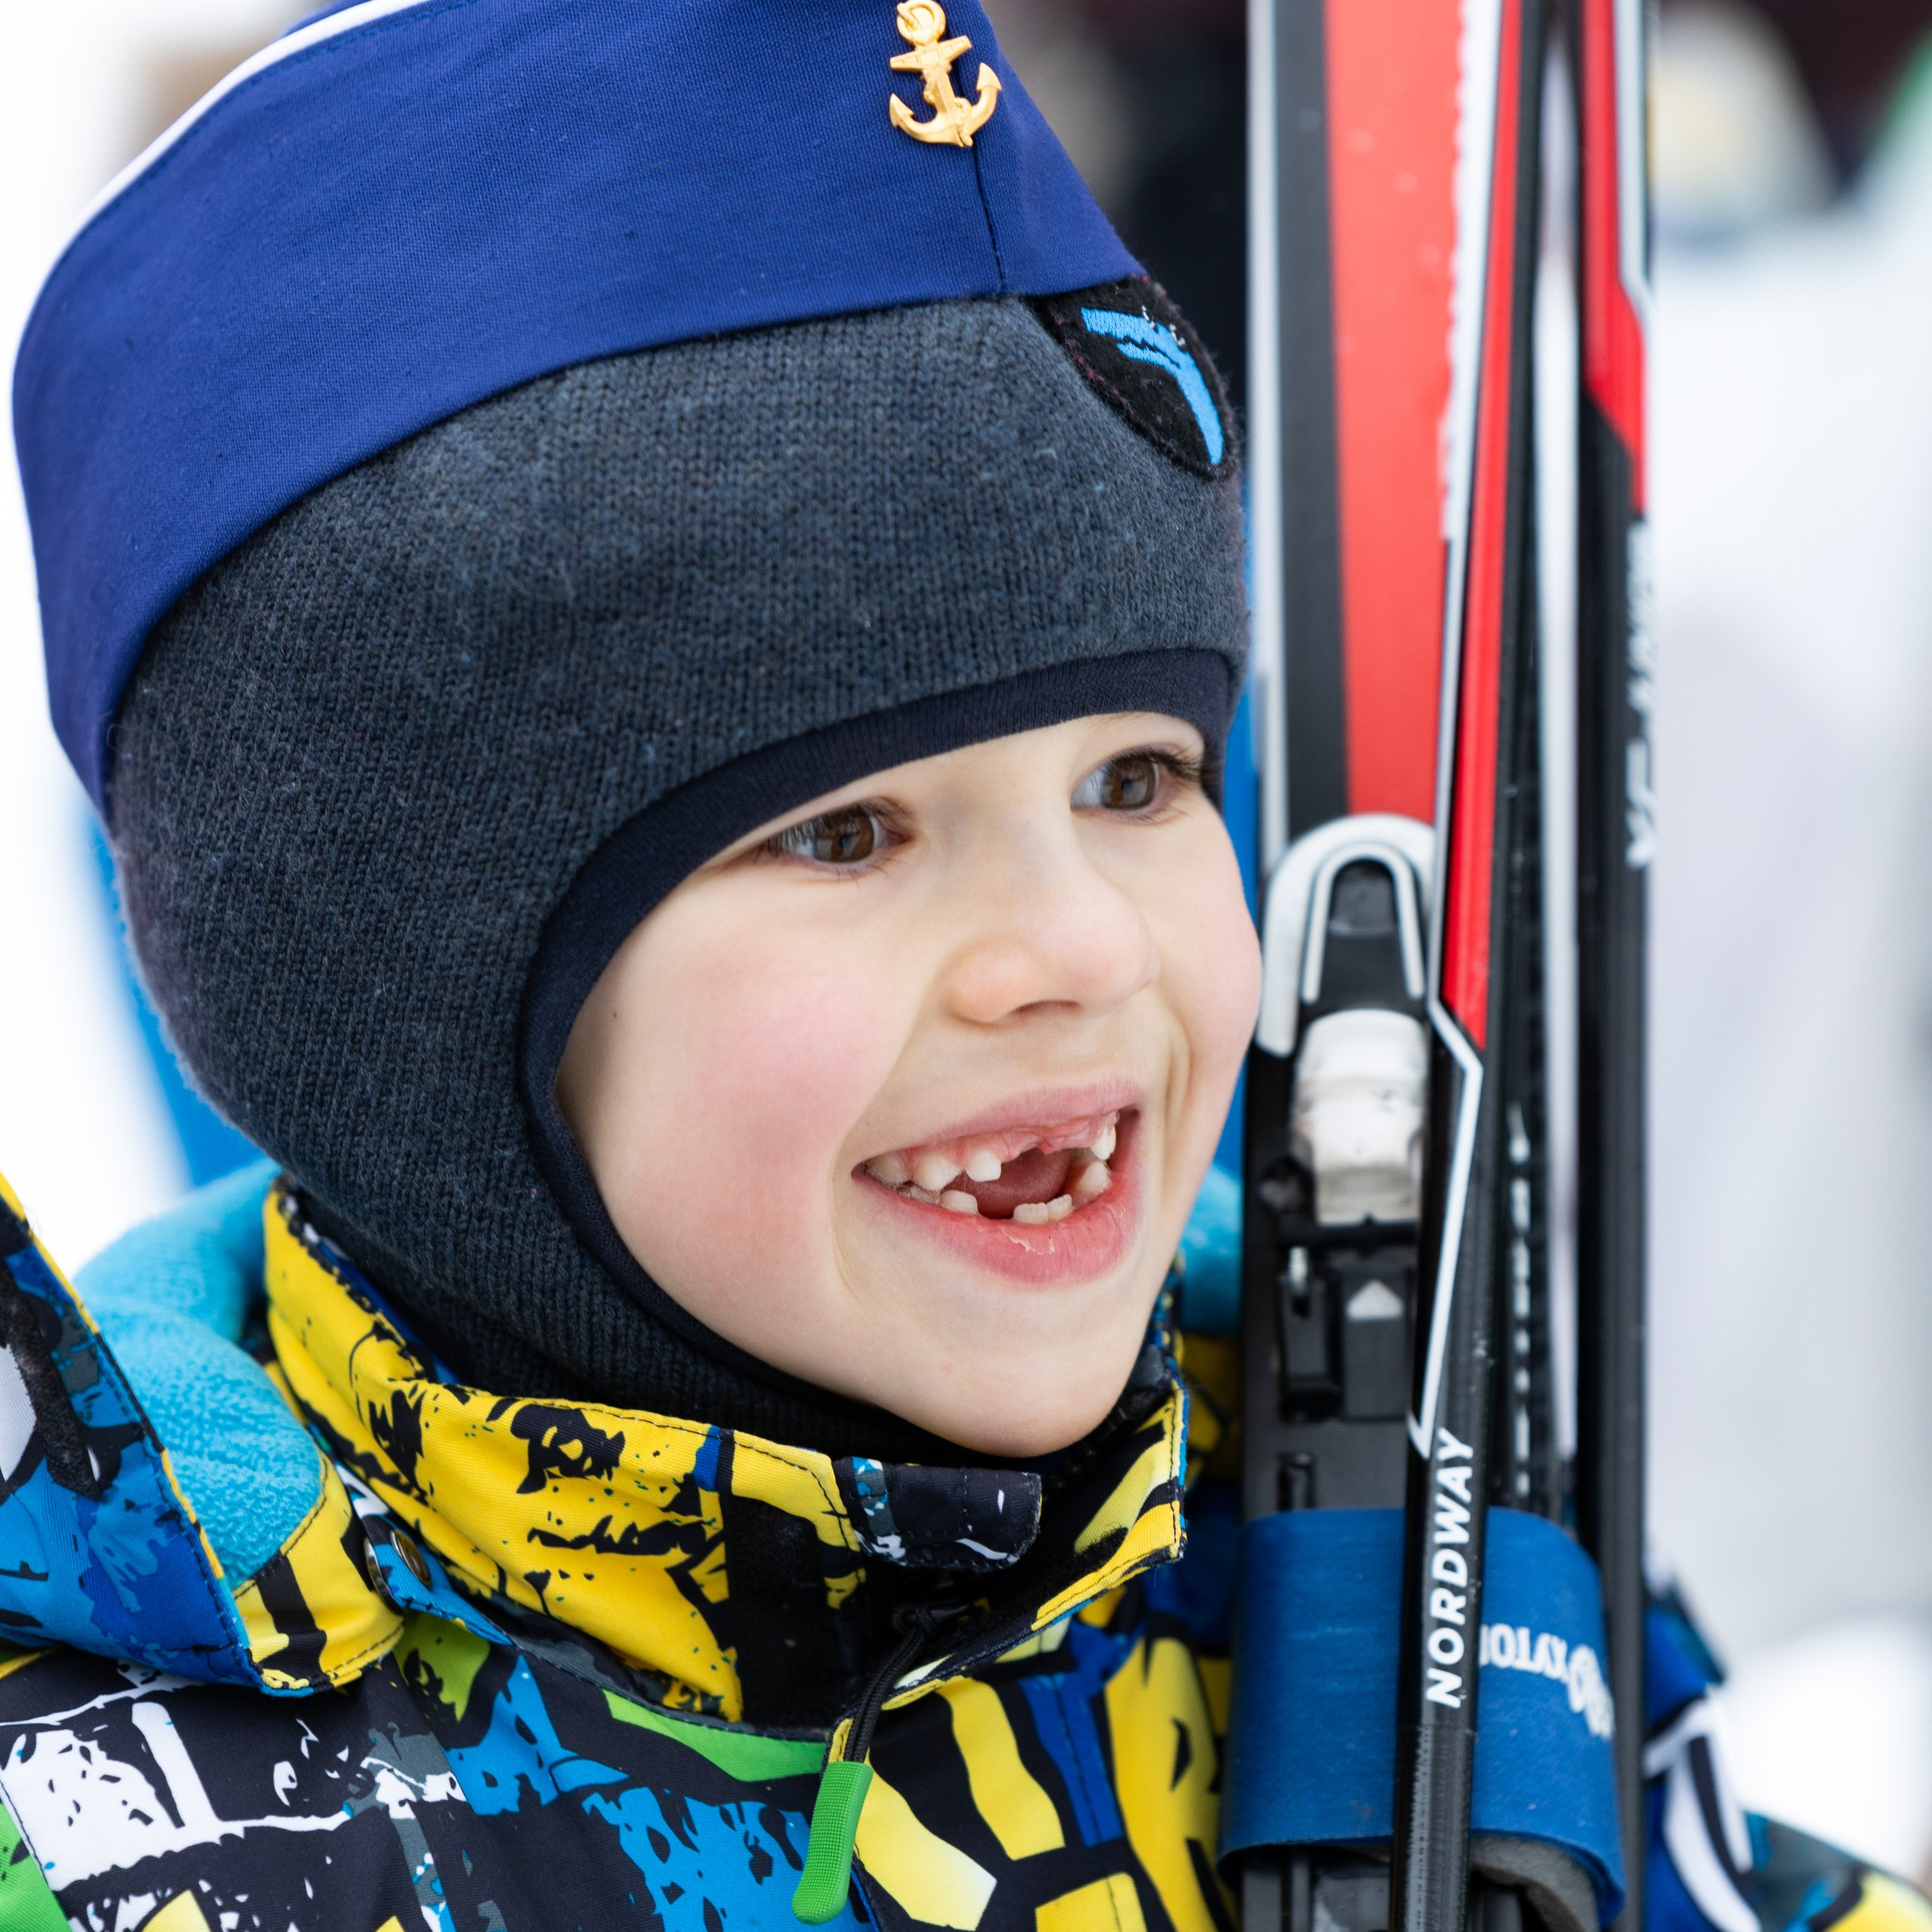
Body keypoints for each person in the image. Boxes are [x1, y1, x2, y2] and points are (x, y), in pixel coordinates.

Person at [0, 4, 1260, 1927]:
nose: (1079, 943)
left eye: (1136, 778)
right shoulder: (99, 1826)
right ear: (397, 995)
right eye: (842, 830)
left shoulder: (1357, 1538)